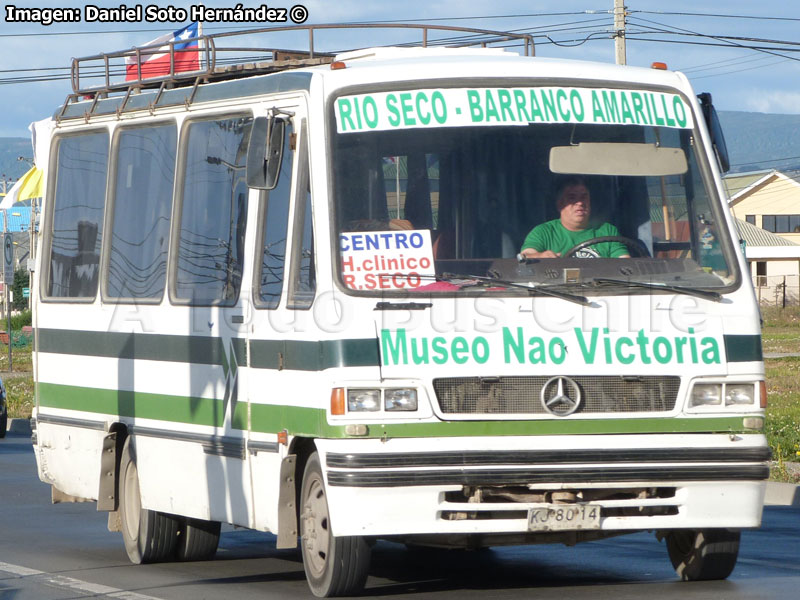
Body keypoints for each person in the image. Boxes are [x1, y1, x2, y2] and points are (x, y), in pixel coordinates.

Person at [519, 176, 630, 259]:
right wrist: (541, 256)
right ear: (560, 204)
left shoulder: (608, 230)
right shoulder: (543, 232)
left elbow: (624, 264)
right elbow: (524, 257)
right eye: (572, 197)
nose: (580, 203)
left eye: (584, 197)